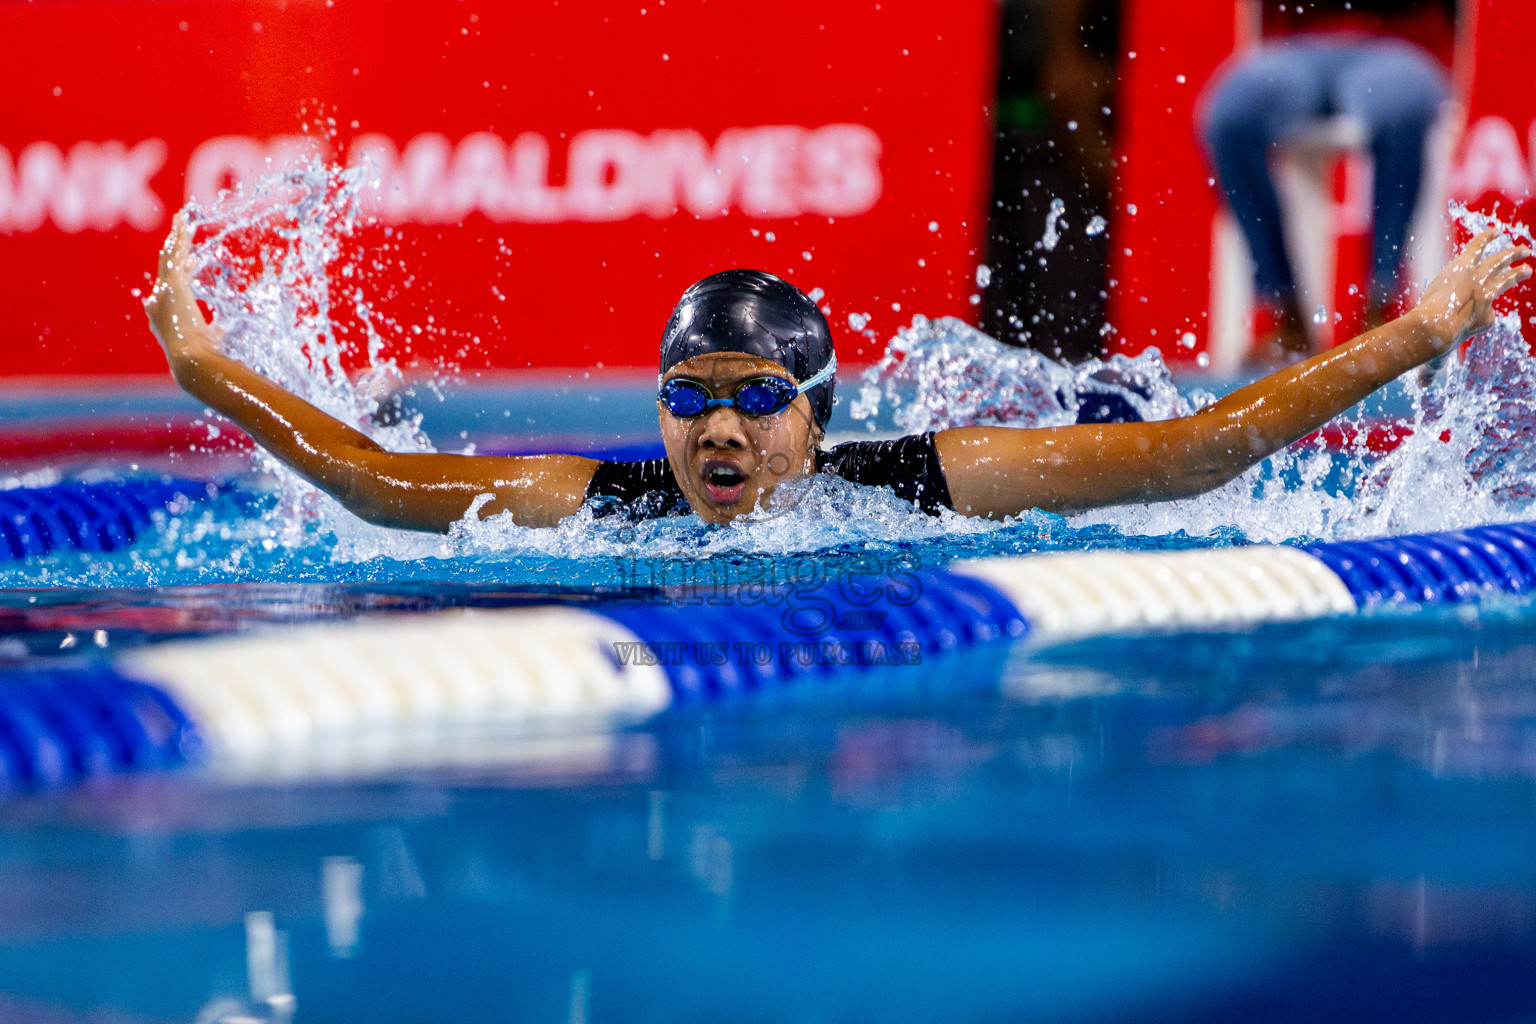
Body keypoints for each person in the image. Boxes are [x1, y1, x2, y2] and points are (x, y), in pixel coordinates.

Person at [145, 212, 1528, 531]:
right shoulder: (607, 502)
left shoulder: (927, 481)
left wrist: (1415, 338)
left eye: (756, 396)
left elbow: (1200, 453)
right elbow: (382, 482)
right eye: (690, 397)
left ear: (815, 415)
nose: (718, 427)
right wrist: (207, 372)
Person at [1198, 1, 1455, 356]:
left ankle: (1382, 313)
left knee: (1401, 107)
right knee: (1229, 118)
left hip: (1397, 45)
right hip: (1291, 50)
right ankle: (1286, 313)